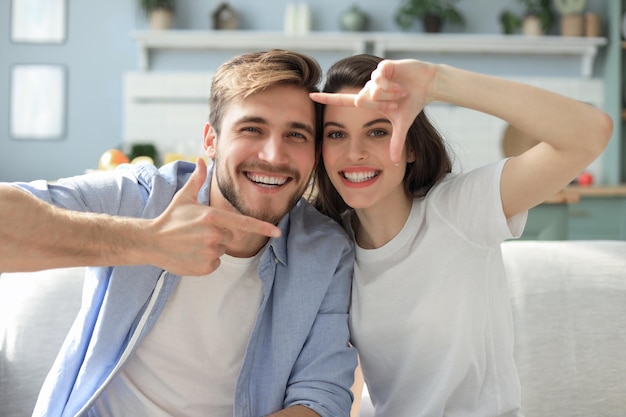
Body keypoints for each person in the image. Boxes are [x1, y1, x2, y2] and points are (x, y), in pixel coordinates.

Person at [0, 50, 357, 417]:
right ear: (211, 140)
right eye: (252, 129)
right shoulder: (141, 198)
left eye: (296, 135)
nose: (273, 155)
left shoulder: (325, 251)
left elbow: (322, 399)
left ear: (314, 155)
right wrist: (149, 241)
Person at [310, 54, 612, 417]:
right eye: (336, 134)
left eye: (378, 131)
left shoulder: (459, 209)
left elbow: (590, 133)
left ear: (410, 146)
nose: (354, 153)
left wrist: (438, 83)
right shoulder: (330, 243)